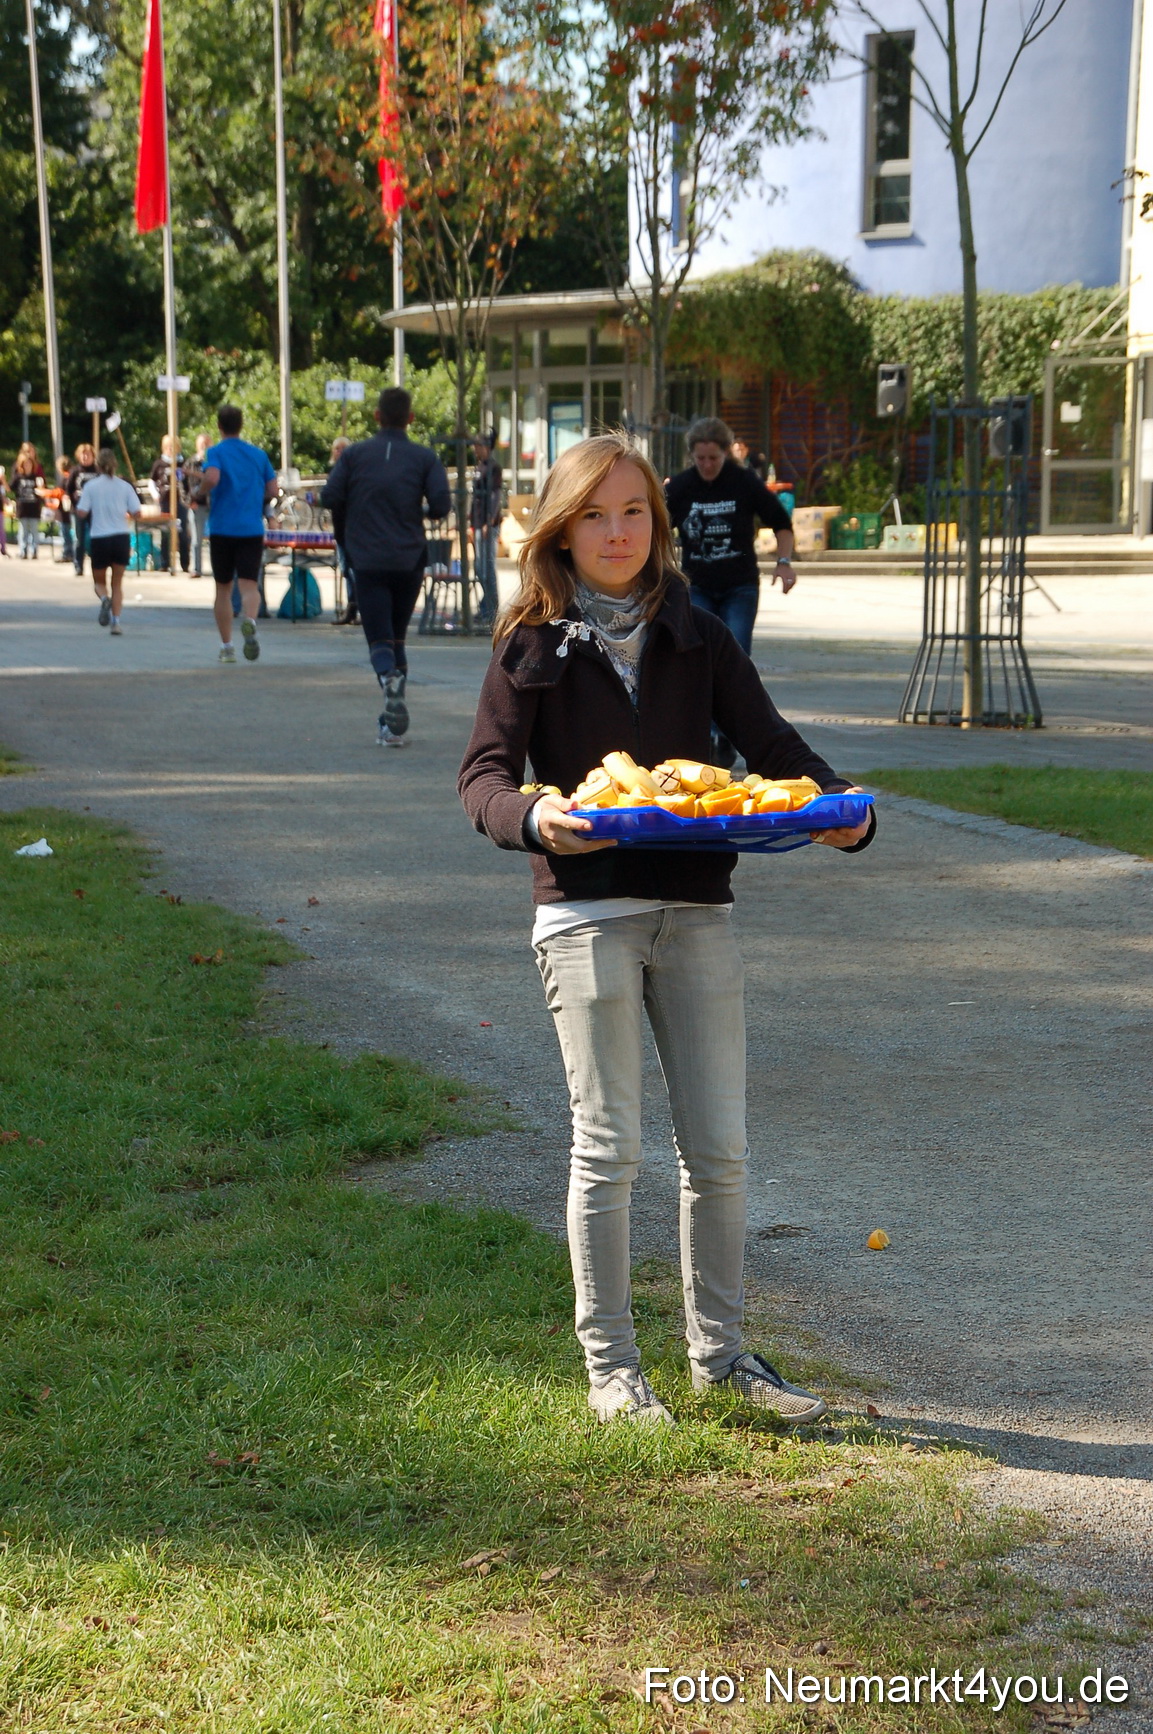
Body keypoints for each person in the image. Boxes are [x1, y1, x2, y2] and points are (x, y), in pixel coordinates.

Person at [458, 433, 875, 1428]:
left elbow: (769, 745)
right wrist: (530, 818)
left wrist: (840, 808)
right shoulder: (530, 640)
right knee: (608, 1150)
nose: (616, 532)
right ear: (562, 526)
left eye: (634, 511)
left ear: (660, 519)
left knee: (719, 1151)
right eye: (595, 514)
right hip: (586, 911)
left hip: (696, 909)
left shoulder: (695, 628)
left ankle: (720, 1362)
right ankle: (612, 1374)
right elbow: (481, 777)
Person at [321, 387, 451, 747]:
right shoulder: (424, 458)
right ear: (410, 418)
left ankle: (388, 683)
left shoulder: (354, 455)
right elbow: (441, 505)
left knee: (379, 640)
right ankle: (390, 724)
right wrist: (414, 509)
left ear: (377, 416)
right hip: (409, 559)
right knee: (397, 637)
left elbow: (330, 496)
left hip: (367, 559)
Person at [666, 416, 796, 766]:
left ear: (726, 453)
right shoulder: (681, 487)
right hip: (697, 587)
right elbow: (654, 530)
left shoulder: (744, 483)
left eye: (714, 458)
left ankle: (728, 735)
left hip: (739, 586)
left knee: (734, 657)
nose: (707, 466)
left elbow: (781, 523)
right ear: (692, 456)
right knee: (698, 659)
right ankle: (705, 734)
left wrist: (783, 561)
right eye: (701, 459)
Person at [198, 405, 277, 664]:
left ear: (219, 426)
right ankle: (251, 621)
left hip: (222, 527)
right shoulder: (258, 454)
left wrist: (200, 492)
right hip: (251, 528)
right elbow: (274, 489)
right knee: (249, 585)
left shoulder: (216, 451)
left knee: (222, 589)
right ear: (241, 425)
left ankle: (227, 647)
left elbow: (212, 477)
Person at [75, 448, 142, 636]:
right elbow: (137, 512)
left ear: (98, 464)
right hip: (121, 536)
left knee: (99, 581)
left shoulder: (91, 486)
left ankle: (104, 599)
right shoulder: (125, 486)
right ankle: (116, 623)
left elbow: (81, 512)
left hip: (100, 538)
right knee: (117, 583)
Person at [469, 436, 503, 626]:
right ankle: (485, 606)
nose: (476, 449)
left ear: (487, 447)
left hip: (487, 523)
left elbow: (496, 494)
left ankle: (492, 608)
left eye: (478, 446)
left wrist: (489, 519)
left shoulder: (493, 467)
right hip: (478, 520)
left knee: (486, 567)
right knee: (479, 568)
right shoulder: (479, 466)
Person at [328, 435, 358, 625]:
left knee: (355, 571)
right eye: (337, 448)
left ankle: (358, 609)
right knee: (347, 570)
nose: (340, 452)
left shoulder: (354, 473)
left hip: (354, 530)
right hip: (340, 530)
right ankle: (351, 608)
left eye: (343, 448)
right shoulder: (334, 473)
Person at [151, 434, 190, 572]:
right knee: (165, 532)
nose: (170, 449)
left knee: (183, 533)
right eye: (168, 446)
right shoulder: (159, 463)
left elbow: (188, 482)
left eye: (173, 446)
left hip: (180, 501)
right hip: (165, 501)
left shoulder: (183, 462)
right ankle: (164, 563)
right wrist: (155, 495)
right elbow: (152, 481)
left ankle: (185, 564)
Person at [68, 444, 99, 575]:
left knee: (96, 538)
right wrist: (74, 504)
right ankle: (78, 565)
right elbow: (69, 488)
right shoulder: (75, 471)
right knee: (79, 539)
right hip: (80, 509)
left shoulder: (98, 471)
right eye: (83, 454)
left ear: (93, 456)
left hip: (95, 510)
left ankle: (97, 565)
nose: (86, 457)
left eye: (88, 454)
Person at [184, 432, 211, 577]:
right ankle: (196, 568)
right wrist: (188, 501)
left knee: (217, 539)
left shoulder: (215, 463)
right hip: (197, 504)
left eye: (207, 444)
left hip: (214, 505)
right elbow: (182, 484)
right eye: (202, 444)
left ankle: (218, 569)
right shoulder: (190, 463)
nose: (205, 447)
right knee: (196, 540)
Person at [12, 444, 45, 559]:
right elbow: (12, 487)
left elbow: (42, 489)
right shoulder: (18, 475)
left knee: (34, 530)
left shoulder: (37, 474)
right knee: (23, 530)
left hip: (34, 507)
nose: (27, 465)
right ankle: (23, 550)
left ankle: (35, 550)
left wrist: (41, 489)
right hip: (22, 507)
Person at [53, 456, 75, 563]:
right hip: (71, 509)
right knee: (70, 532)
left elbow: (59, 493)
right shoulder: (73, 476)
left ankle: (67, 553)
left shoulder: (64, 479)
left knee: (65, 533)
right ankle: (71, 552)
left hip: (64, 510)